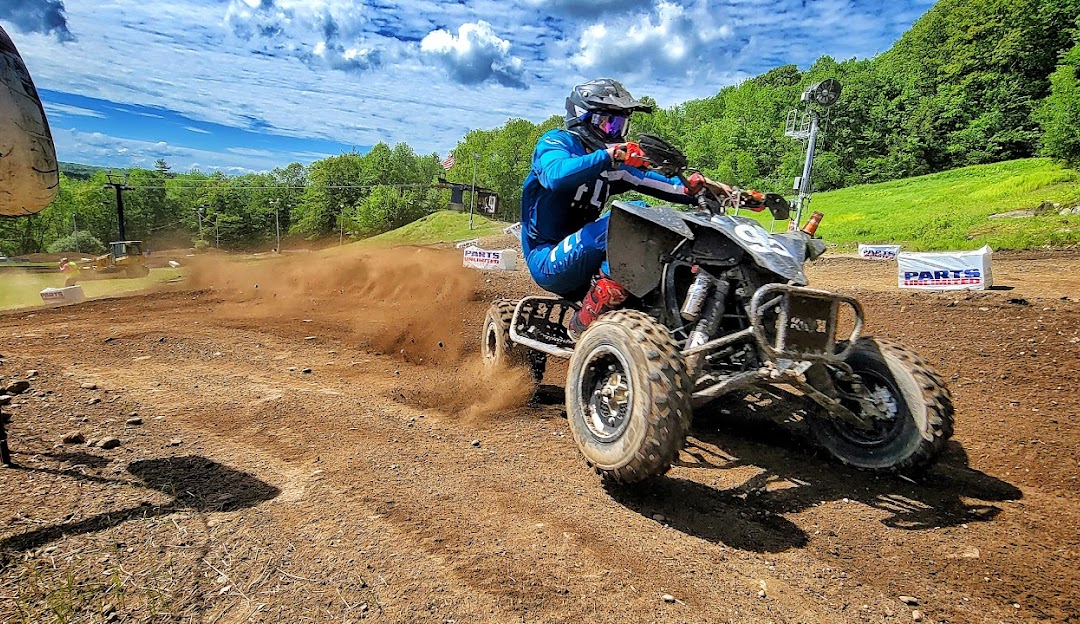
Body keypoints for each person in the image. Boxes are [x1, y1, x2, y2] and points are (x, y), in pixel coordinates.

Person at [520, 78, 730, 338]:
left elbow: (669, 185)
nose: (615, 132)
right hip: (547, 257)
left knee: (652, 218)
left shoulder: (614, 168)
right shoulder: (556, 143)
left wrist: (707, 188)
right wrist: (611, 155)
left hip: (587, 259)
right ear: (582, 118)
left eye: (620, 124)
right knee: (626, 216)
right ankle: (581, 323)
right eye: (607, 123)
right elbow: (555, 174)